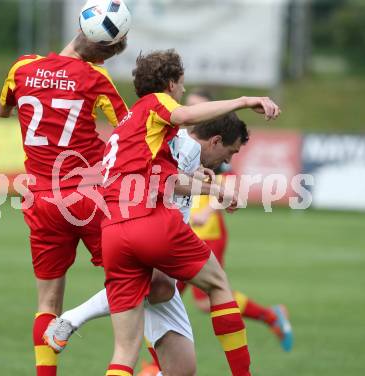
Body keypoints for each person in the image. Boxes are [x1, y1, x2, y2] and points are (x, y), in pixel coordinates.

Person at [100, 49, 281, 376]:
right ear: (170, 84)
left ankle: (73, 320)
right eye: (181, 85)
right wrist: (242, 101)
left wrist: (210, 188)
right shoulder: (158, 103)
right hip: (149, 222)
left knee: (126, 352)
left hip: (112, 232)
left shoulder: (130, 124)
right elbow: (184, 117)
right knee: (218, 285)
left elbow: (160, 178)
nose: (183, 92)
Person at [44, 112, 250, 376]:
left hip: (131, 230)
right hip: (147, 230)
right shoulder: (184, 146)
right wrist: (215, 190)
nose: (227, 161)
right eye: (230, 153)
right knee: (177, 283)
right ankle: (73, 317)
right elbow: (168, 182)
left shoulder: (180, 147)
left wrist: (201, 180)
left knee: (181, 368)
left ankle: (73, 318)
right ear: (215, 141)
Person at [0, 31, 129, 376]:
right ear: (106, 52)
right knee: (137, 285)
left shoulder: (22, 67)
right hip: (89, 196)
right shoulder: (95, 77)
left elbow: (1, 110)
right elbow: (130, 131)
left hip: (40, 198)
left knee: (46, 303)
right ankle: (148, 368)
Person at [178, 89, 294, 352]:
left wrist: (208, 211)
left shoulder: (213, 143)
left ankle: (270, 315)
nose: (191, 108)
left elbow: (229, 184)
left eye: (198, 105)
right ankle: (154, 365)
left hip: (206, 233)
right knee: (164, 292)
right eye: (190, 104)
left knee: (197, 299)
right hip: (182, 228)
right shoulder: (185, 138)